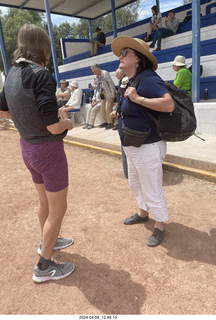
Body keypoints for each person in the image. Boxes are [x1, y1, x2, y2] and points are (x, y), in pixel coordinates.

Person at [0, 24, 75, 282]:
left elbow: (4, 113)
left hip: (27, 148)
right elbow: (54, 127)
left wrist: (30, 117)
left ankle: (48, 242)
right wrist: (67, 122)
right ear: (43, 48)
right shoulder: (41, 75)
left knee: (44, 204)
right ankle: (43, 266)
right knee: (58, 208)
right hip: (48, 150)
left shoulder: (11, 75)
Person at [110, 35, 174, 247]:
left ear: (138, 58)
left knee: (151, 186)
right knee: (135, 182)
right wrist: (118, 112)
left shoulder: (147, 78)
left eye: (125, 52)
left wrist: (139, 99)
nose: (120, 56)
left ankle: (160, 225)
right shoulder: (131, 79)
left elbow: (168, 104)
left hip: (148, 145)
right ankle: (142, 212)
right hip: (132, 144)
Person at [91, 64, 116, 129]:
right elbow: (99, 87)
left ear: (98, 69)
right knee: (102, 108)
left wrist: (113, 94)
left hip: (108, 92)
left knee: (107, 108)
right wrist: (92, 87)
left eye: (95, 71)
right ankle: (105, 122)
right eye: (93, 72)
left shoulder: (105, 74)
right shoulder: (97, 77)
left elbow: (111, 84)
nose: (94, 73)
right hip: (102, 93)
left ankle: (110, 123)